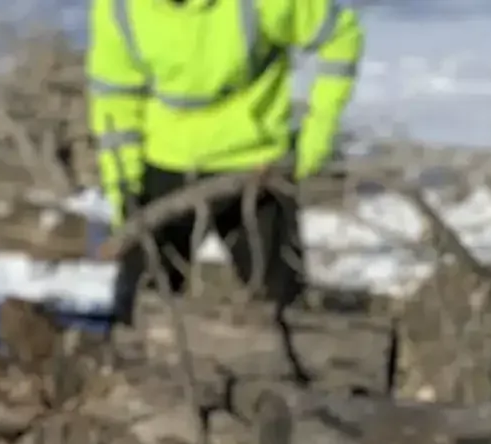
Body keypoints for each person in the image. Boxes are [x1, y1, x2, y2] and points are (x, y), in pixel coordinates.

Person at [86, 0, 363, 327]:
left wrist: (319, 130)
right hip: (164, 167)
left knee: (285, 311)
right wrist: (124, 189)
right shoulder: (120, 8)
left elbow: (341, 36)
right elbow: (114, 99)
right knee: (137, 310)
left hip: (257, 168)